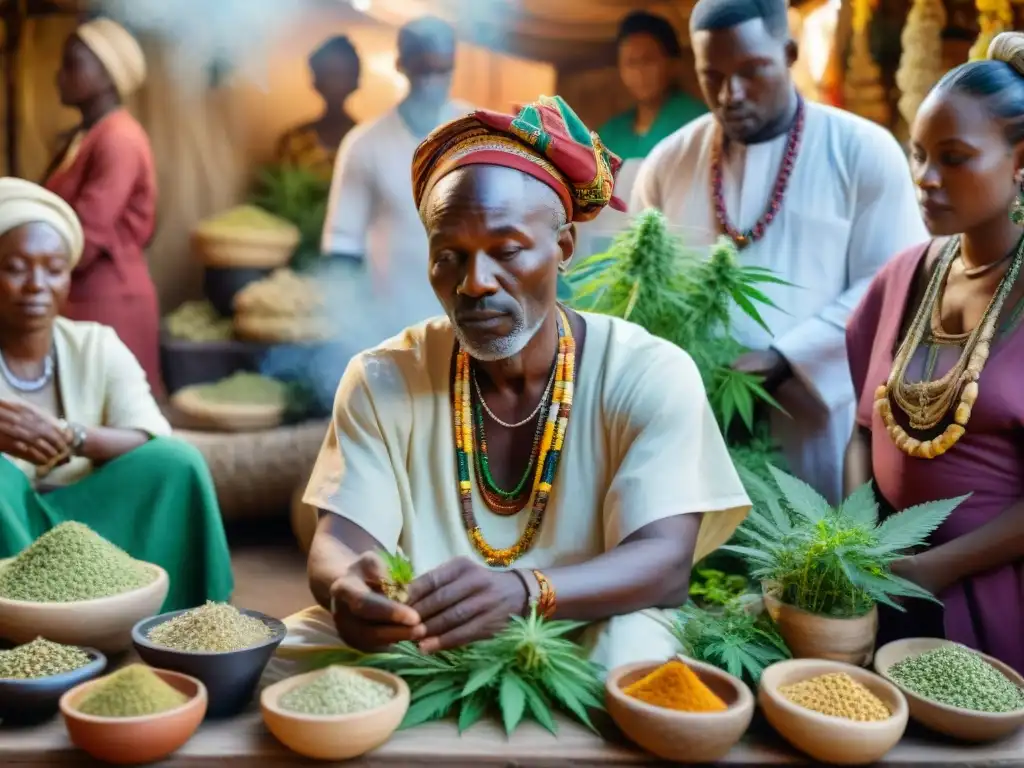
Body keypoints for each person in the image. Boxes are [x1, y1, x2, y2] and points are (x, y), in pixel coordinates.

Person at [262, 96, 750, 683]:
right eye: (449, 256)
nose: (474, 283)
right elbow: (337, 542)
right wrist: (348, 587)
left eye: (507, 250)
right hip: (423, 635)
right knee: (285, 656)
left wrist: (524, 591)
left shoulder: (647, 372)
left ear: (564, 248)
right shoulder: (382, 377)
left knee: (632, 659)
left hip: (581, 624)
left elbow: (666, 563)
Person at [631, 0, 927, 505]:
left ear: (788, 53)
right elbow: (646, 290)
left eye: (751, 71)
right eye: (713, 76)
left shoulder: (862, 151)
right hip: (697, 420)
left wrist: (783, 359)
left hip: (820, 424)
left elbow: (894, 284)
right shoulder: (667, 163)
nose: (731, 94)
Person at [845, 33, 1024, 674]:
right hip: (885, 591)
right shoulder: (904, 276)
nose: (925, 179)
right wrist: (861, 543)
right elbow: (864, 429)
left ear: (1020, 162)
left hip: (992, 602)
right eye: (919, 154)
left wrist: (930, 568)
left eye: (953, 158)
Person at [0, 178, 233, 612]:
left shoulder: (96, 345)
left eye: (53, 269)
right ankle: (20, 626)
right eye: (15, 268)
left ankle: (186, 619)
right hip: (6, 534)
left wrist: (72, 437)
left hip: (94, 520)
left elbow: (150, 437)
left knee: (178, 461)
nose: (36, 284)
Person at [321, 16, 470, 339]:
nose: (432, 80)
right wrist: (346, 321)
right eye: (422, 69)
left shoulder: (478, 133)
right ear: (401, 65)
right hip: (391, 323)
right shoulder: (365, 144)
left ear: (455, 66)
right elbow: (342, 246)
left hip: (468, 318)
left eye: (441, 70)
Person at [43, 18, 162, 395]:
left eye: (72, 63)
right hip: (82, 298)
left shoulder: (118, 139)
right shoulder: (87, 137)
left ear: (109, 75)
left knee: (111, 416)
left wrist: (29, 270)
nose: (59, 75)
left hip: (108, 304)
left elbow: (87, 233)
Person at [598, 11, 708, 162]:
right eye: (631, 62)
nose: (640, 72)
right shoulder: (610, 134)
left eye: (648, 60)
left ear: (673, 64)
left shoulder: (697, 123)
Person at [276, 36, 361, 179]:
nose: (335, 83)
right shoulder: (294, 142)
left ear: (355, 81)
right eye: (329, 74)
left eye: (342, 74)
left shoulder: (366, 142)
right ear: (316, 80)